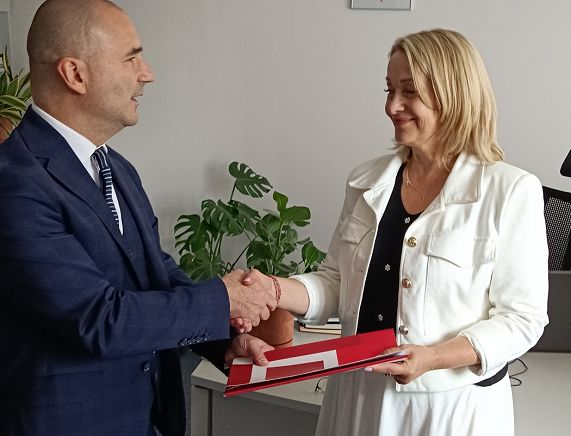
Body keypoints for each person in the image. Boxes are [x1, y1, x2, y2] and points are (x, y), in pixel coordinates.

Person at [242, 28, 549, 435]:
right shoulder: (366, 182)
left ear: (454, 94)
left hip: (449, 409)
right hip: (356, 395)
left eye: (409, 91)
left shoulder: (510, 191)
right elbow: (336, 282)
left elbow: (522, 318)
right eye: (389, 89)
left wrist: (433, 357)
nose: (392, 106)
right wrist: (273, 290)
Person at [0, 1, 273, 435]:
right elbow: (98, 319)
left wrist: (224, 339)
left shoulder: (117, 169)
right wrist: (223, 299)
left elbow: (154, 273)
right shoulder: (15, 182)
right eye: (131, 58)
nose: (147, 74)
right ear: (75, 74)